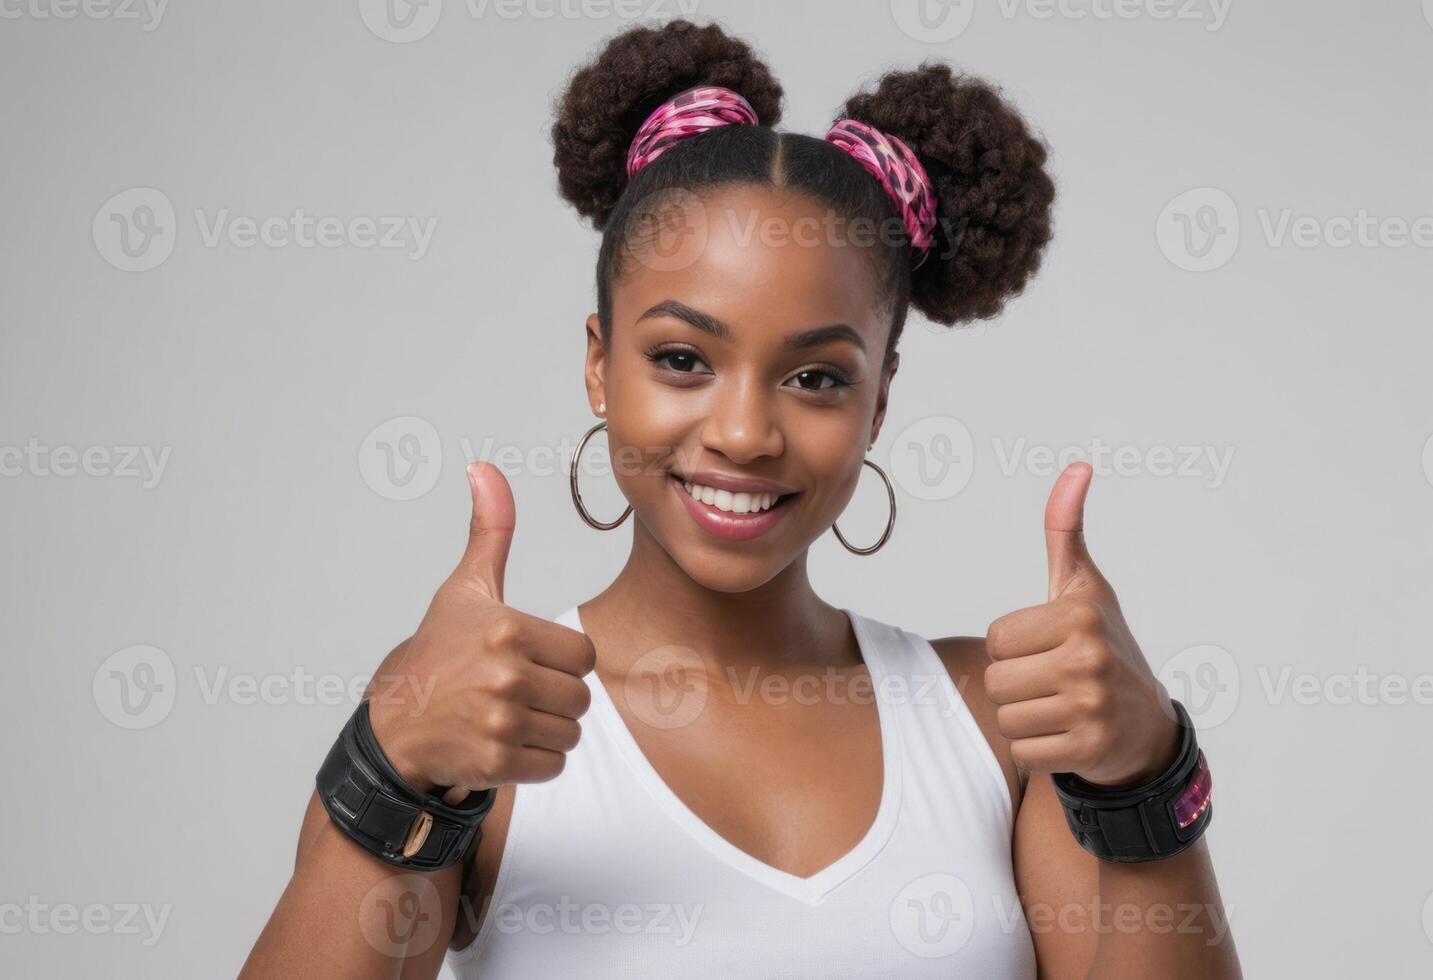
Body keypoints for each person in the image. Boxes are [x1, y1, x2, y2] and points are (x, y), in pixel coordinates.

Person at [241, 18, 1239, 978]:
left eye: (816, 378)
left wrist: (1145, 776)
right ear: (598, 365)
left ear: (879, 400)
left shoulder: (995, 721)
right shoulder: (484, 719)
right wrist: (393, 763)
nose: (742, 433)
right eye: (681, 358)